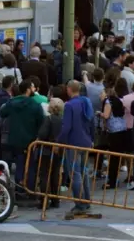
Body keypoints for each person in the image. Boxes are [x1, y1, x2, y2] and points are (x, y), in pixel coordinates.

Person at [0, 79, 45, 184]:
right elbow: (41, 121)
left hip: (14, 138)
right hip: (30, 139)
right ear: (28, 90)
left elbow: (2, 113)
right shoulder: (35, 105)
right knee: (30, 165)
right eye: (32, 87)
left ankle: (18, 183)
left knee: (19, 162)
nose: (34, 89)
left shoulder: (12, 102)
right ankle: (29, 187)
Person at [58, 80, 93, 217]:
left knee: (75, 173)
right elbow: (91, 123)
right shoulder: (86, 102)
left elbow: (67, 127)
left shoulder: (69, 106)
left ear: (69, 89)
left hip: (73, 142)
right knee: (84, 171)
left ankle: (80, 203)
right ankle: (87, 200)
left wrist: (59, 140)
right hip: (86, 141)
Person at [36, 97, 64, 209]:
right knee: (55, 175)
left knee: (44, 175)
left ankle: (44, 200)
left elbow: (42, 134)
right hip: (58, 150)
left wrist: (37, 139)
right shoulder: (62, 120)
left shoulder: (48, 119)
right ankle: (55, 200)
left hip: (47, 150)